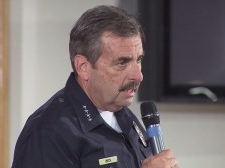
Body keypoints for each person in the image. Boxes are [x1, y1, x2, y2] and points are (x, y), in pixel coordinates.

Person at [12, 5, 179, 168]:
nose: (138, 76)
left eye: (139, 60)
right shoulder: (48, 132)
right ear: (83, 67)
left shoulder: (122, 114)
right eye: (122, 62)